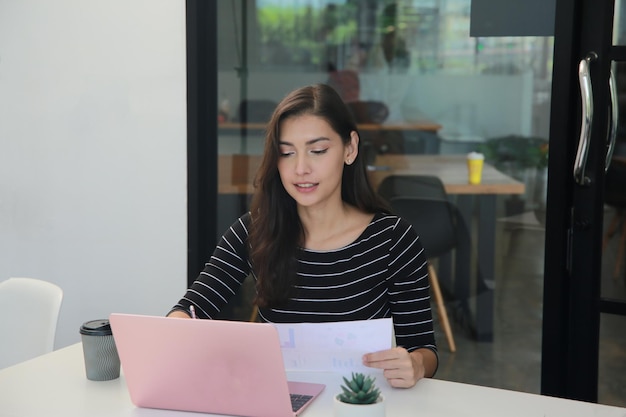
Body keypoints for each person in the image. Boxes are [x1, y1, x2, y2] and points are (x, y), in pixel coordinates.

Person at [168, 83, 438, 387]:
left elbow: (424, 349)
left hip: (357, 405)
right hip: (280, 402)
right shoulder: (255, 229)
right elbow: (192, 308)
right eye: (286, 153)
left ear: (350, 148)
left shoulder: (393, 239)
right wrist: (178, 328)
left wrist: (414, 365)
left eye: (318, 150)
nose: (300, 168)